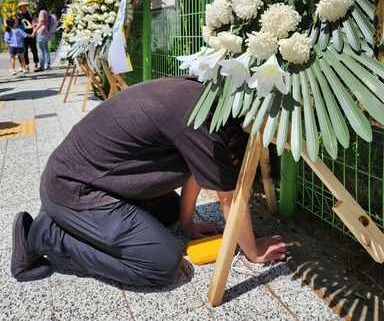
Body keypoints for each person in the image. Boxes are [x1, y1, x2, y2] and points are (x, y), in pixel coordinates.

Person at [10, 76, 286, 285]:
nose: (231, 168)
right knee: (160, 263)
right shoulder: (207, 125)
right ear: (237, 141)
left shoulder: (205, 97)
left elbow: (197, 169)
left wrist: (187, 224)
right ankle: (45, 234)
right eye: (235, 163)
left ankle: (94, 226)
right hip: (74, 191)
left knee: (168, 212)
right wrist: (254, 250)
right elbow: (229, 198)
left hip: (81, 176)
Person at [16, 0, 39, 71]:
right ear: (20, 7)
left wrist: (35, 30)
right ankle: (26, 65)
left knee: (34, 49)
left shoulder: (30, 13)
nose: (25, 7)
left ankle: (36, 65)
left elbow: (36, 20)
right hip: (23, 35)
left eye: (26, 5)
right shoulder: (17, 15)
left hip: (31, 33)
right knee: (24, 50)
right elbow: (16, 25)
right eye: (23, 5)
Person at [32, 0, 51, 71]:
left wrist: (35, 31)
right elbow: (44, 23)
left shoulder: (41, 12)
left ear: (38, 4)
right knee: (46, 50)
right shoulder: (46, 12)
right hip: (46, 32)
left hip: (41, 33)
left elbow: (41, 23)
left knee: (41, 50)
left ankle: (41, 66)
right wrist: (37, 24)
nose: (34, 6)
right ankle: (48, 65)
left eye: (35, 4)